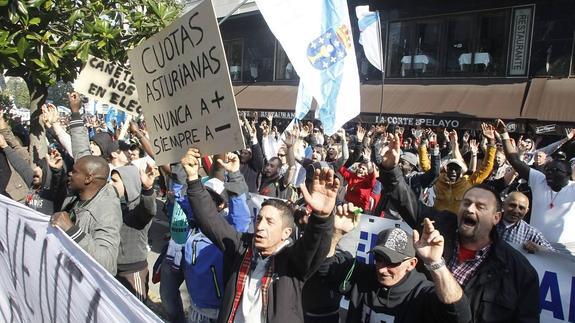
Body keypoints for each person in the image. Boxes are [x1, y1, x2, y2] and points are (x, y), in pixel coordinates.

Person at [377, 133, 539, 323]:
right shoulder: (439, 226)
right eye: (466, 203)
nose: (470, 208)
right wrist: (390, 170)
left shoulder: (518, 271)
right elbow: (407, 202)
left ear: (496, 217)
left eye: (480, 206)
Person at [181, 147, 338, 323]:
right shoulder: (241, 247)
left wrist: (322, 217)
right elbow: (210, 220)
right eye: (259, 219)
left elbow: (314, 245)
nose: (260, 226)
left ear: (286, 233)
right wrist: (193, 179)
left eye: (270, 222)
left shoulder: (293, 262)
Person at [319, 209, 471, 323]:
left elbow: (459, 316)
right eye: (379, 258)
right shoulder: (363, 275)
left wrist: (435, 263)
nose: (382, 269)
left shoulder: (421, 293)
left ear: (411, 264)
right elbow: (325, 270)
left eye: (392, 262)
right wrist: (335, 234)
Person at [184, 153, 252, 322]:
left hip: (215, 311)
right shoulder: (194, 222)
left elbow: (242, 219)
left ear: (221, 204)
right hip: (194, 305)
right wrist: (185, 169)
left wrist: (234, 175)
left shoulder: (227, 229)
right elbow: (184, 194)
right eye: (203, 196)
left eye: (211, 198)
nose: (204, 201)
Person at [497, 119, 575, 256]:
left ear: (568, 174)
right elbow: (514, 159)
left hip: (564, 254)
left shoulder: (573, 189)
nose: (549, 175)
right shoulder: (539, 179)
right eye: (548, 171)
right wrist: (504, 134)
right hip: (533, 247)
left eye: (556, 172)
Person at [50, 155, 122, 275]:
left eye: (74, 172)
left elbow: (107, 262)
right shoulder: (76, 196)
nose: (70, 174)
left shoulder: (107, 211)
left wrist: (72, 230)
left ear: (88, 178)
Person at [111, 164, 157, 303]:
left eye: (115, 181)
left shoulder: (138, 208)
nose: (110, 184)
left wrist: (148, 189)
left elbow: (149, 209)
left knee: (135, 312)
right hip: (113, 270)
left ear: (128, 183)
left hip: (133, 273)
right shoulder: (114, 205)